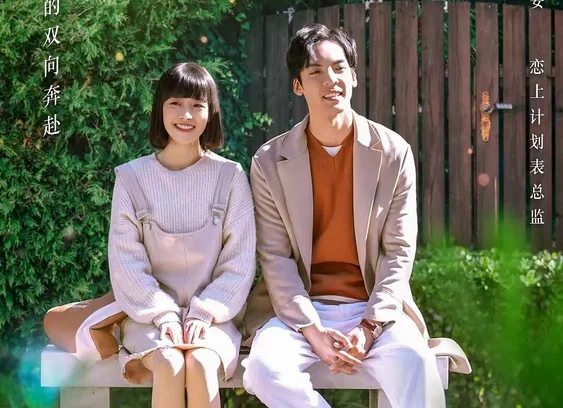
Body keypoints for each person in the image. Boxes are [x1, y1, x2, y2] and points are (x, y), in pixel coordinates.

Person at [242, 24, 448, 408]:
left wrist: (369, 327)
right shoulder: (269, 161)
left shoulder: (393, 153)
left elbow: (398, 253)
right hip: (299, 311)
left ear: (353, 76)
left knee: (417, 366)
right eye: (315, 71)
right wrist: (313, 331)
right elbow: (275, 258)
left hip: (375, 308)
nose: (330, 80)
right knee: (263, 370)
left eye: (339, 68)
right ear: (298, 85)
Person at [108, 62, 256, 408]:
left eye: (197, 105)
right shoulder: (131, 178)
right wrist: (164, 315)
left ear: (210, 113)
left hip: (215, 320)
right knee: (170, 361)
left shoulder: (230, 176)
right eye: (175, 103)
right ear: (160, 109)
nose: (186, 114)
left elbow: (240, 261)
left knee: (201, 363)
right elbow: (126, 263)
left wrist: (204, 312)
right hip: (149, 319)